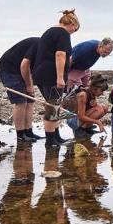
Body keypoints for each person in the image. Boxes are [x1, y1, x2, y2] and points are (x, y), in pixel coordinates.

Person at [33, 9, 79, 147]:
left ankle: (56, 137)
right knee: (52, 107)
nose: (73, 32)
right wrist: (60, 77)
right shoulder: (62, 33)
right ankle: (50, 141)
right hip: (51, 75)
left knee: (54, 106)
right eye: (74, 30)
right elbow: (60, 55)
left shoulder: (49, 32)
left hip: (41, 73)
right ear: (71, 24)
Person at [0, 36, 43, 142]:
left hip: (22, 70)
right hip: (9, 70)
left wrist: (31, 85)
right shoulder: (38, 44)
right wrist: (29, 85)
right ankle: (20, 135)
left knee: (30, 101)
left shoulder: (47, 49)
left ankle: (29, 132)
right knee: (21, 102)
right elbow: (24, 66)